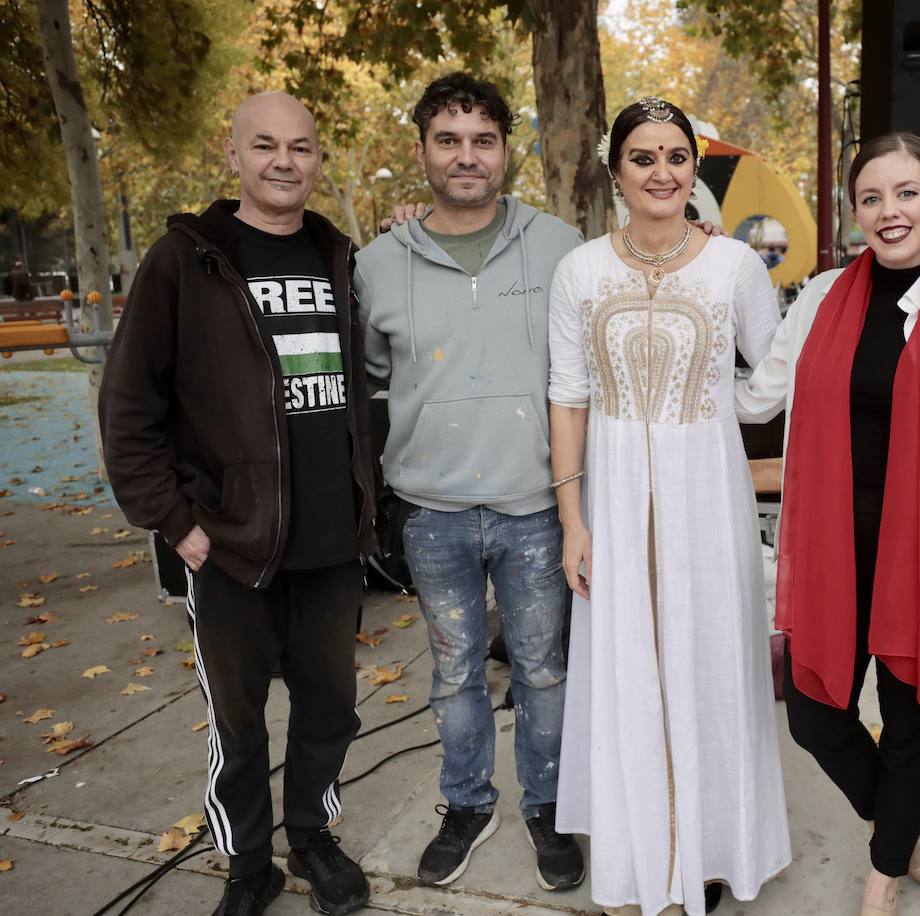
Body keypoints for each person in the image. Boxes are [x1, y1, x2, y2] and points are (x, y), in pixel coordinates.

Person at [98, 92, 376, 916]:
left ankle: (312, 838)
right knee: (240, 725)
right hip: (229, 545)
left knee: (330, 711)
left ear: (317, 158)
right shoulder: (185, 260)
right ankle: (248, 862)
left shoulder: (339, 257)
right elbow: (128, 405)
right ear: (234, 155)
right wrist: (175, 522)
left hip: (330, 540)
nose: (285, 161)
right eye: (266, 145)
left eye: (301, 146)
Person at [736, 132, 920, 916]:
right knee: (818, 719)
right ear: (853, 211)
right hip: (832, 551)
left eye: (906, 193)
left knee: (913, 723)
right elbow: (757, 399)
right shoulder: (822, 297)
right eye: (871, 197)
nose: (889, 212)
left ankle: (885, 871)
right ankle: (893, 822)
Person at [547, 97, 791, 916]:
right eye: (644, 157)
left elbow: (778, 369)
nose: (663, 171)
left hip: (707, 500)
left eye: (677, 156)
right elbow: (567, 397)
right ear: (615, 173)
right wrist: (574, 522)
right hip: (610, 501)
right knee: (626, 664)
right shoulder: (581, 271)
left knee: (708, 662)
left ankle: (715, 849)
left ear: (694, 169)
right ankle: (638, 849)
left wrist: (727, 409)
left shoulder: (733, 268)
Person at [353, 72, 586, 892]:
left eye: (482, 139)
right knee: (453, 671)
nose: (466, 155)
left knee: (544, 669)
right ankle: (467, 803)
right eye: (447, 140)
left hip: (536, 508)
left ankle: (550, 807)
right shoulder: (379, 264)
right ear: (421, 152)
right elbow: (379, 372)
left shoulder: (561, 245)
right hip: (432, 512)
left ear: (505, 151)